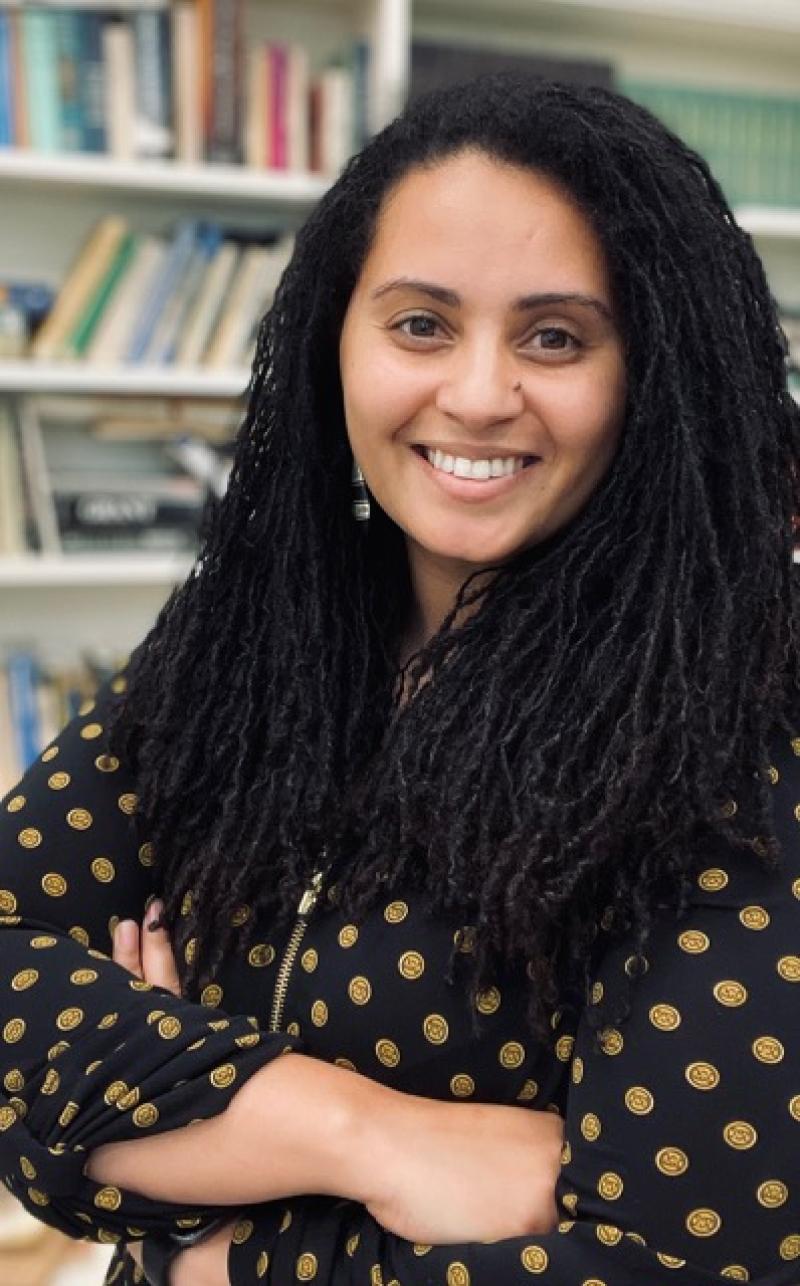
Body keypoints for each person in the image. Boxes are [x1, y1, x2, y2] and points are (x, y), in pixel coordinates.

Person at [1, 70, 799, 1286]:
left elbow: (682, 1260)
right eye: (419, 322)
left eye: (554, 335)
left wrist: (196, 1227)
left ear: (654, 377)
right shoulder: (250, 634)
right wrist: (360, 1132)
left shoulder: (738, 716)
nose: (476, 395)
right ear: (334, 338)